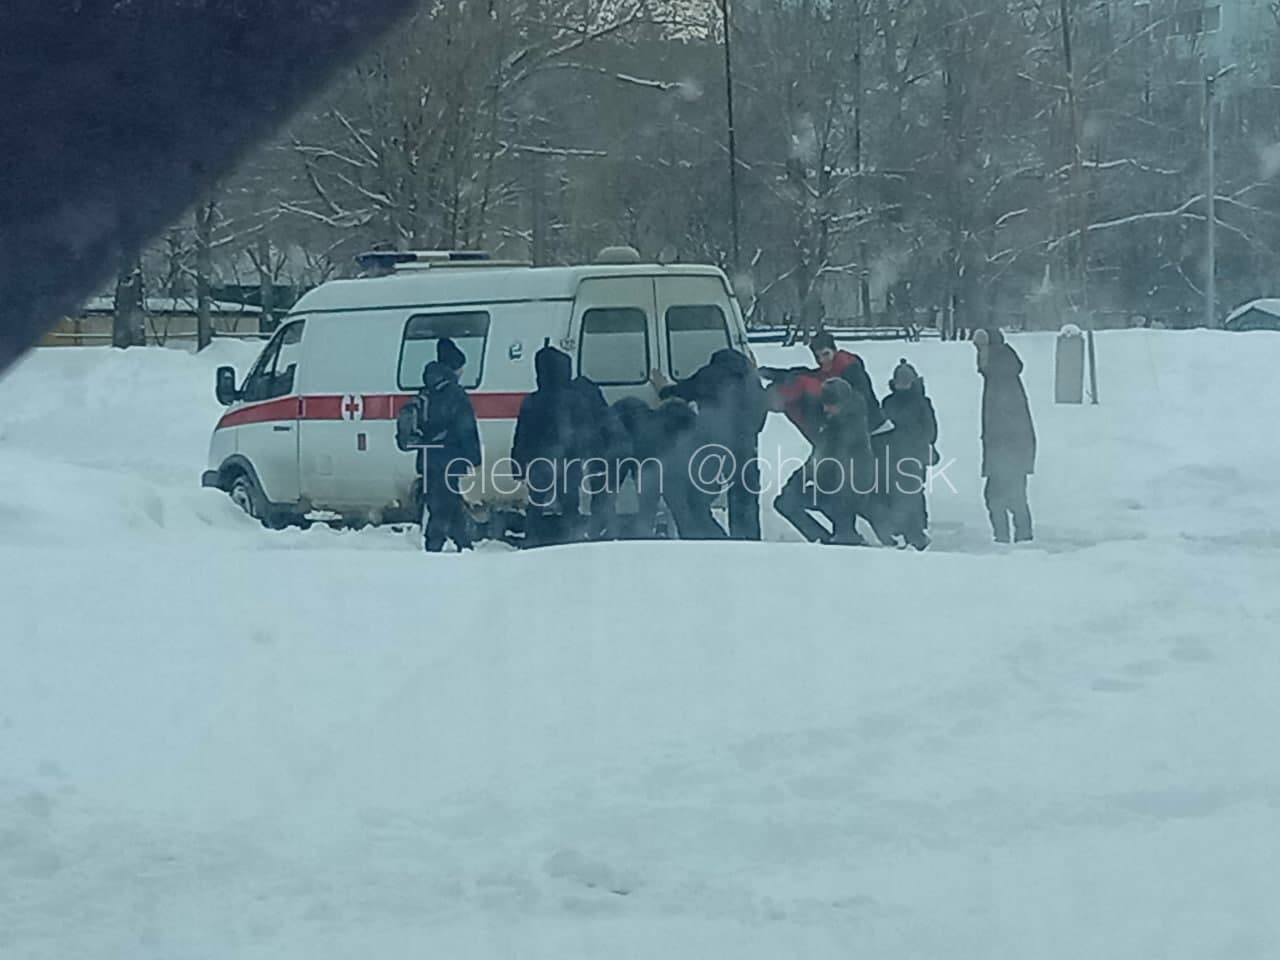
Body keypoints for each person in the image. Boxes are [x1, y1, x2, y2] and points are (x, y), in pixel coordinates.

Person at [650, 348, 769, 539]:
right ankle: (749, 547)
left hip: (716, 449)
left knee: (696, 500)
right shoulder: (752, 381)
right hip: (747, 450)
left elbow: (682, 391)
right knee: (745, 502)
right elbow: (762, 413)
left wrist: (663, 388)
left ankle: (716, 541)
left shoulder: (710, 374)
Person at [773, 378, 891, 545]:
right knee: (786, 502)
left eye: (831, 404)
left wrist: (801, 481)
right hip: (833, 488)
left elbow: (825, 460)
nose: (826, 408)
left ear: (843, 403)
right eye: (825, 403)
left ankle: (836, 539)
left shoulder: (848, 426)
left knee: (789, 502)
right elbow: (818, 459)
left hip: (846, 492)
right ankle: (829, 540)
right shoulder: (836, 423)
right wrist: (798, 481)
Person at [510, 344, 596, 547]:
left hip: (538, 463)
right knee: (570, 504)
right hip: (570, 462)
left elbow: (522, 436)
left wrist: (518, 465)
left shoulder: (532, 401)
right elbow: (585, 432)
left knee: (536, 504)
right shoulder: (576, 399)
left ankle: (532, 540)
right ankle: (570, 539)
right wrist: (586, 455)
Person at [973, 328, 1036, 543]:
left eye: (981, 349)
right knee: (1004, 496)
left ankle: (1015, 539)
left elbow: (1010, 421)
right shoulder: (999, 376)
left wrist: (1004, 451)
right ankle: (1015, 538)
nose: (978, 355)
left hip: (1009, 450)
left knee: (1005, 496)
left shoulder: (1002, 380)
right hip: (1004, 449)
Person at [417, 359, 481, 552]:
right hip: (450, 458)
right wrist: (474, 458)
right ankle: (433, 545)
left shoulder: (425, 394)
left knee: (447, 499)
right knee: (444, 504)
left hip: (427, 458)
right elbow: (467, 429)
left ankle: (464, 543)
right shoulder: (455, 395)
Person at [880, 358, 938, 551]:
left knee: (913, 492)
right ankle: (899, 528)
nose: (902, 385)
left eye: (906, 381)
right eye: (899, 381)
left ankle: (919, 527)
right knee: (894, 492)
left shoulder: (922, 403)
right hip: (892, 454)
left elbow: (930, 430)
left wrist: (917, 444)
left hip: (915, 454)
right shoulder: (888, 402)